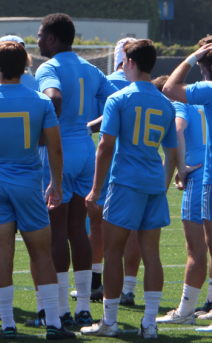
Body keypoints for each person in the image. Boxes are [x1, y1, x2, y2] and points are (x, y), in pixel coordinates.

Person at [0, 39, 76, 340]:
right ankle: (53, 322)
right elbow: (55, 148)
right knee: (41, 254)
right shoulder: (40, 101)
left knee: (1, 253)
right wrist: (56, 182)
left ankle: (8, 325)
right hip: (28, 183)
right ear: (27, 65)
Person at [81, 39, 178, 339]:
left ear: (131, 63)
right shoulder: (165, 103)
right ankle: (150, 323)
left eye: (123, 62)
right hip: (152, 184)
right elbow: (172, 154)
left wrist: (95, 190)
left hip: (124, 183)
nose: (122, 67)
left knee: (112, 253)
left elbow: (105, 147)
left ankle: (109, 321)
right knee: (152, 255)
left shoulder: (119, 99)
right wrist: (160, 186)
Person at [35, 13, 118, 327]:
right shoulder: (91, 68)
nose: (39, 41)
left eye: (41, 35)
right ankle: (83, 306)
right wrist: (91, 126)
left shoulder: (50, 67)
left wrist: (49, 129)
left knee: (56, 231)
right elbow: (115, 101)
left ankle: (60, 311)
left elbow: (53, 97)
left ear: (53, 38)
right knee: (77, 229)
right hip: (84, 148)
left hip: (61, 152)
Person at [70, 37, 137, 305]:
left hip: (108, 161)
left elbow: (98, 125)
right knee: (133, 229)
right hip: (140, 164)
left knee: (96, 223)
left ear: (121, 58)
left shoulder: (106, 81)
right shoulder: (152, 88)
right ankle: (129, 288)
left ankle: (98, 282)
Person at [162, 36, 212, 332]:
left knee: (202, 247)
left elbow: (169, 87)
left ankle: (186, 309)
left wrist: (193, 56)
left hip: (208, 177)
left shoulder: (207, 89)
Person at [154, 74, 206, 325]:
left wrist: (181, 168)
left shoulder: (181, 101)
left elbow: (177, 130)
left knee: (196, 248)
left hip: (201, 175)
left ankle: (185, 312)